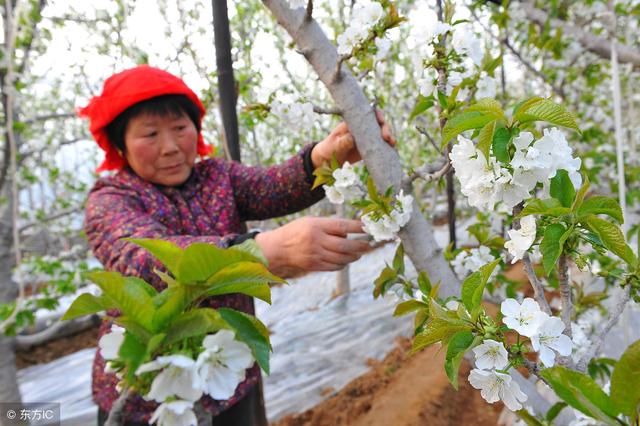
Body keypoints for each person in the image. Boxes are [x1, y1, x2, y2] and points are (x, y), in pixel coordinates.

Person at [79, 65, 395, 425]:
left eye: (180, 129)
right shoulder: (110, 200)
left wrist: (326, 157)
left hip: (228, 376)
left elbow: (274, 186)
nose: (169, 148)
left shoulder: (217, 177)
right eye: (150, 134)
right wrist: (263, 250)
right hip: (148, 394)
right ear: (120, 145)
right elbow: (141, 258)